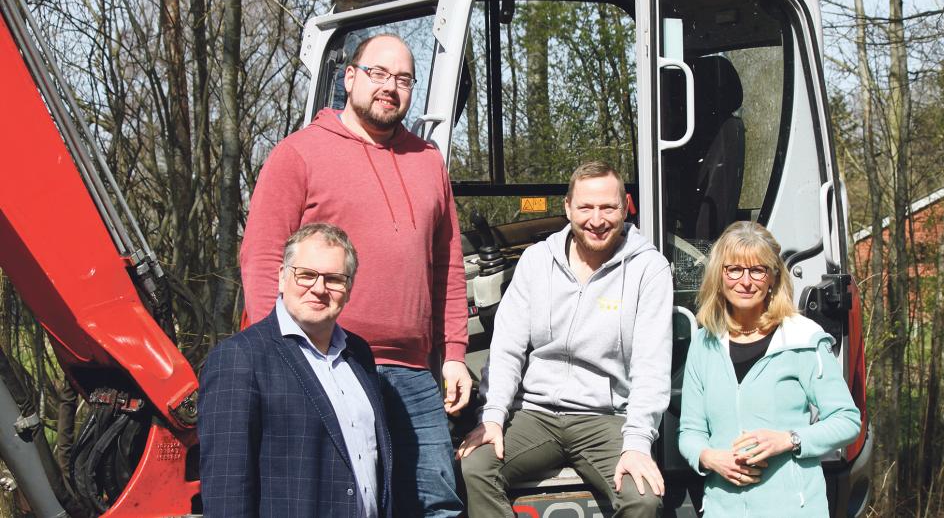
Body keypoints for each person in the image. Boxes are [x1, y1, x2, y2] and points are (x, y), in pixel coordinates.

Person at [239, 34, 468, 516]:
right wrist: (280, 357)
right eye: (378, 74)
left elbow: (446, 265)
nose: (390, 88)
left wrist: (453, 355)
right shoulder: (298, 154)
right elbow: (262, 259)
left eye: (403, 79)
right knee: (337, 503)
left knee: (436, 504)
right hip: (326, 363)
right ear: (349, 78)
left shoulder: (428, 163)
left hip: (411, 371)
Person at [457, 161, 671, 517]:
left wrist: (637, 442)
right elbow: (508, 348)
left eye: (608, 207)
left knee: (643, 497)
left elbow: (652, 367)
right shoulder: (537, 261)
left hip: (606, 418)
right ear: (568, 207)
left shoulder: (649, 269)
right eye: (586, 207)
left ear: (626, 206)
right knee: (474, 466)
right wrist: (492, 416)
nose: (597, 219)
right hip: (534, 414)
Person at [199, 223, 392, 517]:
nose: (319, 288)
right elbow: (227, 488)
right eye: (306, 275)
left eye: (334, 279)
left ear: (349, 288)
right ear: (281, 277)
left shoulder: (360, 355)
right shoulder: (240, 358)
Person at [678, 221, 861, 517]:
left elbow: (847, 420)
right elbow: (690, 431)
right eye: (734, 269)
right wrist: (710, 458)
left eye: (757, 270)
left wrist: (788, 440)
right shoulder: (704, 343)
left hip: (793, 508)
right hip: (723, 509)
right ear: (719, 276)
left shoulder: (802, 338)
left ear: (773, 277)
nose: (745, 281)